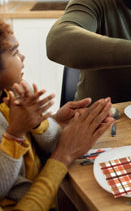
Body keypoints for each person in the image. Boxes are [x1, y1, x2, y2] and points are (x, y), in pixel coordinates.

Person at [0, 19, 114, 210]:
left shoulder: (18, 91)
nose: (23, 56)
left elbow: (49, 142)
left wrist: (47, 123)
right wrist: (16, 134)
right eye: (14, 52)